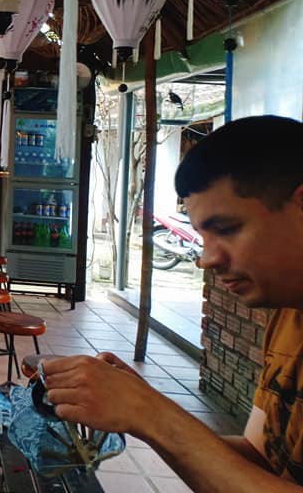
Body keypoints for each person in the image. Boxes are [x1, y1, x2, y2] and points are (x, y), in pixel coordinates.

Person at [43, 115, 303, 491]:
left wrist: (151, 413)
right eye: (202, 235)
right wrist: (141, 406)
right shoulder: (288, 315)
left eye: (227, 229)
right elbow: (260, 459)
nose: (206, 259)